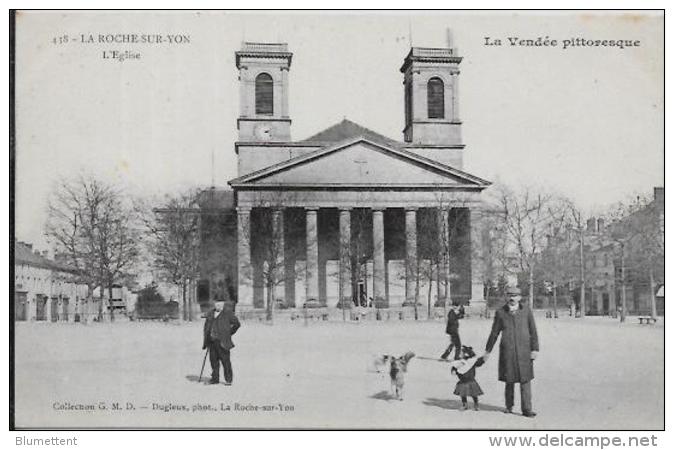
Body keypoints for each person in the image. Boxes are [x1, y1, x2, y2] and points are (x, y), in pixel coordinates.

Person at [483, 287, 539, 417]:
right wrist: (488, 350)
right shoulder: (501, 312)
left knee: (525, 380)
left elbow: (533, 331)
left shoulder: (526, 311)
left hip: (524, 351)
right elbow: (494, 333)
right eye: (509, 295)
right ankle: (509, 406)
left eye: (515, 295)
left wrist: (535, 349)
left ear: (520, 297)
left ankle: (527, 409)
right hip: (508, 351)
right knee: (509, 380)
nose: (512, 298)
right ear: (506, 297)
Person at [202, 301, 241, 385]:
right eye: (216, 304)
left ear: (223, 305)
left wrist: (229, 333)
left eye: (219, 304)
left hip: (223, 341)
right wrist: (206, 338)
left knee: (225, 361)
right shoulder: (210, 313)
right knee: (213, 361)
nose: (217, 306)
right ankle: (215, 379)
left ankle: (228, 380)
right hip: (212, 341)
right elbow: (206, 327)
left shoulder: (228, 313)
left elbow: (237, 324)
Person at [449, 345, 485, 411]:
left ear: (466, 354)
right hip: (462, 381)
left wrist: (482, 359)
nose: (459, 354)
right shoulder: (459, 362)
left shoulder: (471, 362)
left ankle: (476, 404)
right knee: (463, 394)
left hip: (471, 380)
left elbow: (479, 363)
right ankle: (465, 405)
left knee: (474, 394)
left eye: (461, 353)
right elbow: (455, 367)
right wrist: (454, 370)